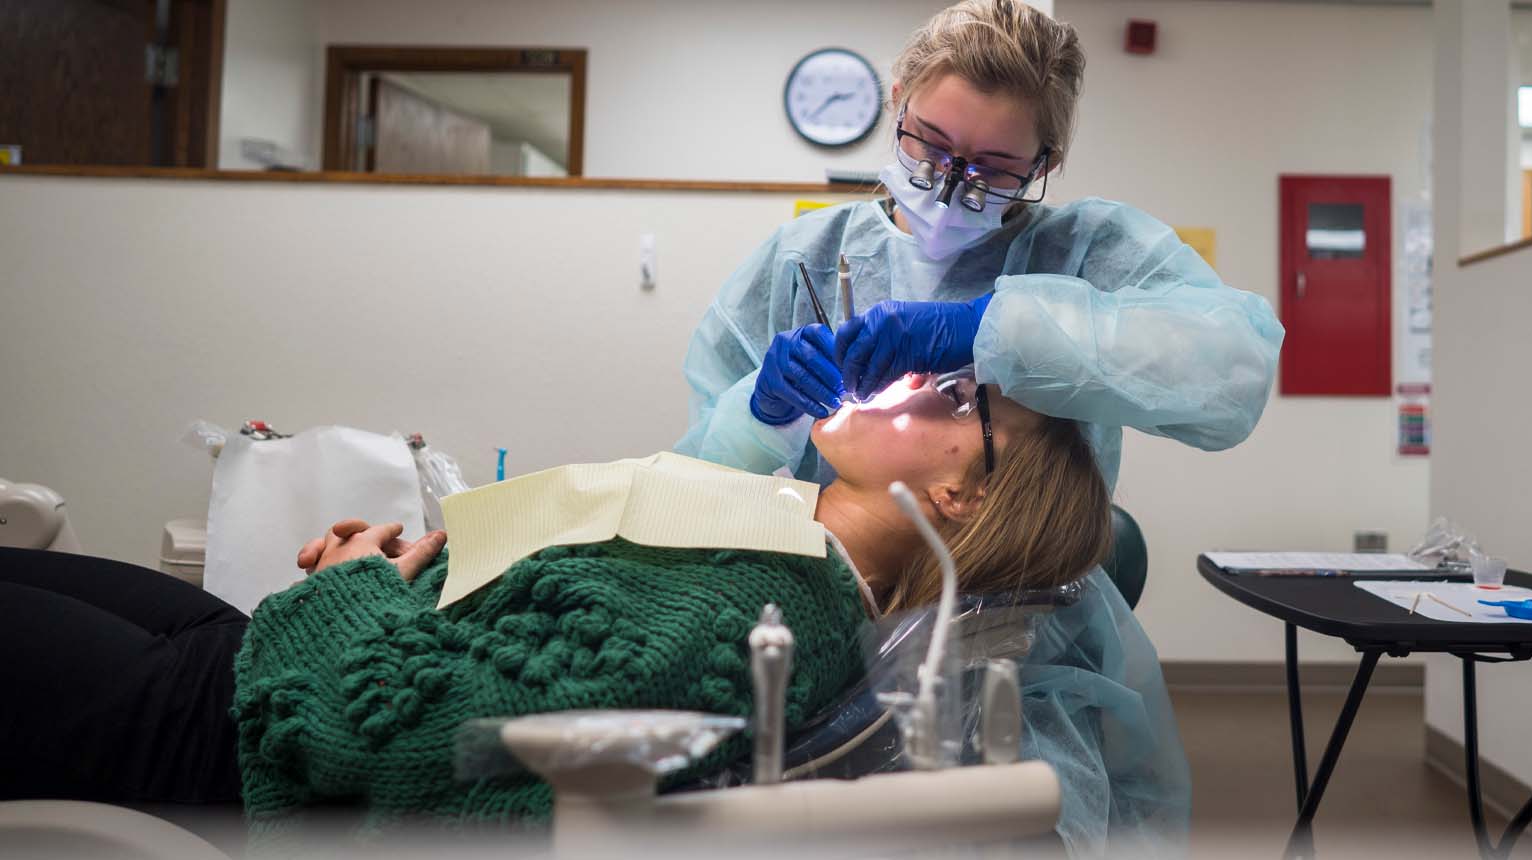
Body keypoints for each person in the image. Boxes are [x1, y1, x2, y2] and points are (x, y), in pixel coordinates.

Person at [0, 377, 1113, 851]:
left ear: (961, 496)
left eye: (959, 401)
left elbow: (412, 745)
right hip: (236, 650)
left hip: (220, 729)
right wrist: (411, 573)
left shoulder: (759, 608)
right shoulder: (770, 529)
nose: (918, 377)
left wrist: (342, 591)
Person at [676, 0, 1284, 492]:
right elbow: (696, 484)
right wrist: (759, 415)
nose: (948, 186)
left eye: (992, 168)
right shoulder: (801, 257)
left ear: (1048, 162)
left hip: (1027, 619)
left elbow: (1235, 373)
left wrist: (995, 329)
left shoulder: (1086, 253)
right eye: (929, 145)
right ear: (898, 103)